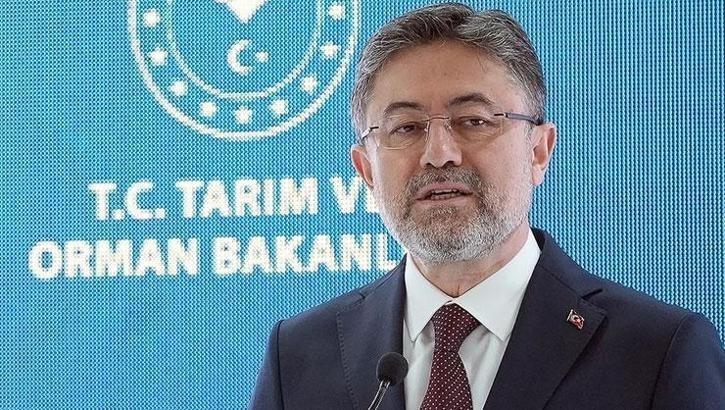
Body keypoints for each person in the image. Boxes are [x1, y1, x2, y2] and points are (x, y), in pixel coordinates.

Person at [251, 3, 725, 409]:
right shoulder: (298, 356)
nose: (439, 154)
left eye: (474, 120)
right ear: (367, 170)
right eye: (407, 128)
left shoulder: (657, 351)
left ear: (538, 151)